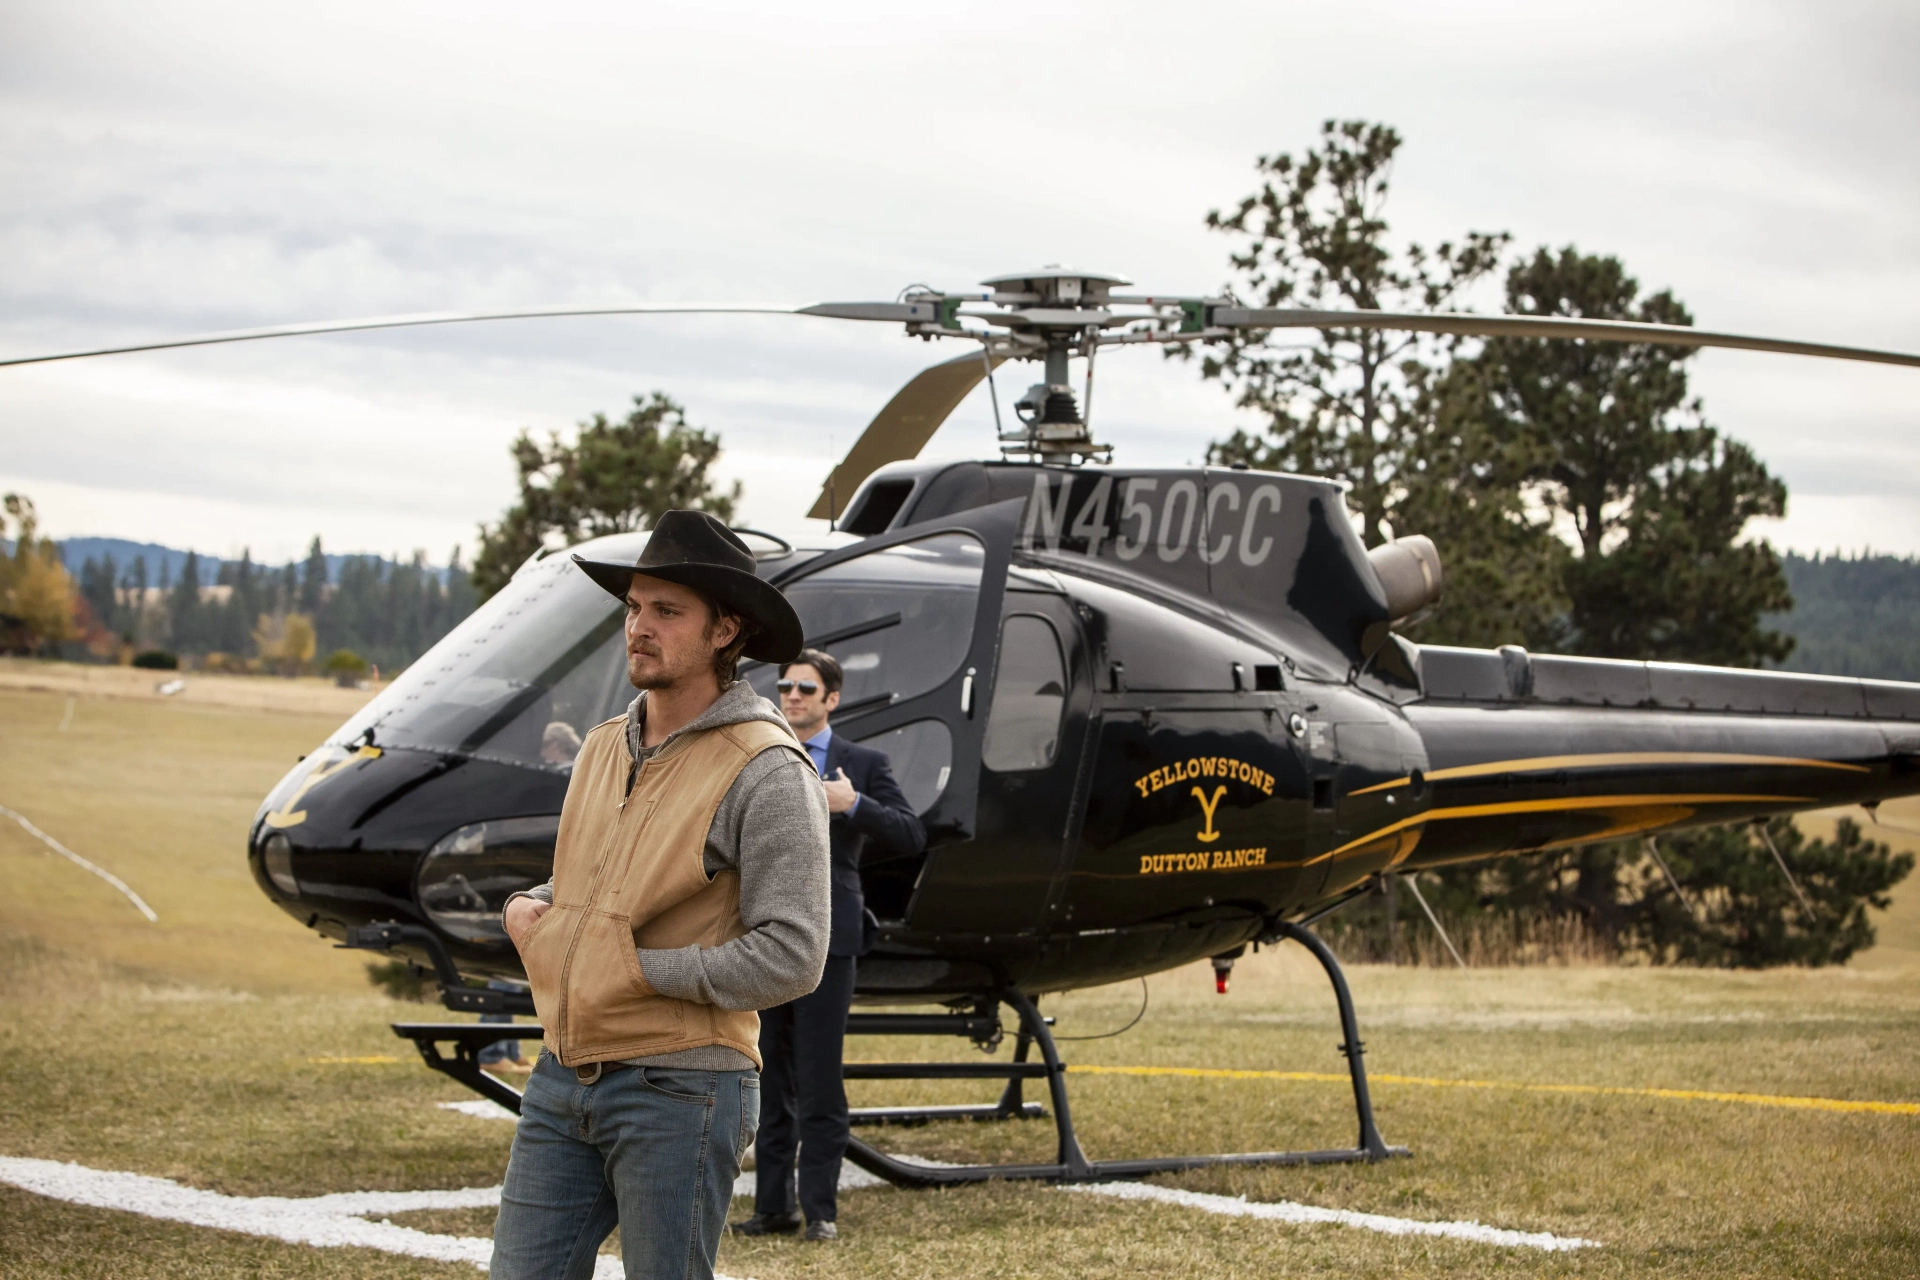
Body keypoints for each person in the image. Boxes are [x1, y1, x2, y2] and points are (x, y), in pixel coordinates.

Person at [491, 510, 831, 1280]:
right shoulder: (603, 746)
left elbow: (795, 953)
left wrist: (638, 970)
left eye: (667, 611)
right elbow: (598, 882)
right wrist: (533, 909)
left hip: (683, 1086)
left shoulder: (769, 768)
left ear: (725, 631)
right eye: (633, 608)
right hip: (563, 1070)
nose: (639, 627)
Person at [729, 648, 926, 1243]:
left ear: (831, 700)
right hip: (764, 932)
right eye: (785, 686)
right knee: (766, 1077)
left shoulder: (861, 763)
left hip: (832, 936)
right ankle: (772, 1208)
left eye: (805, 689)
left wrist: (854, 804)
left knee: (818, 1078)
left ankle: (820, 1212)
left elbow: (912, 833)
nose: (791, 696)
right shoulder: (762, 754)